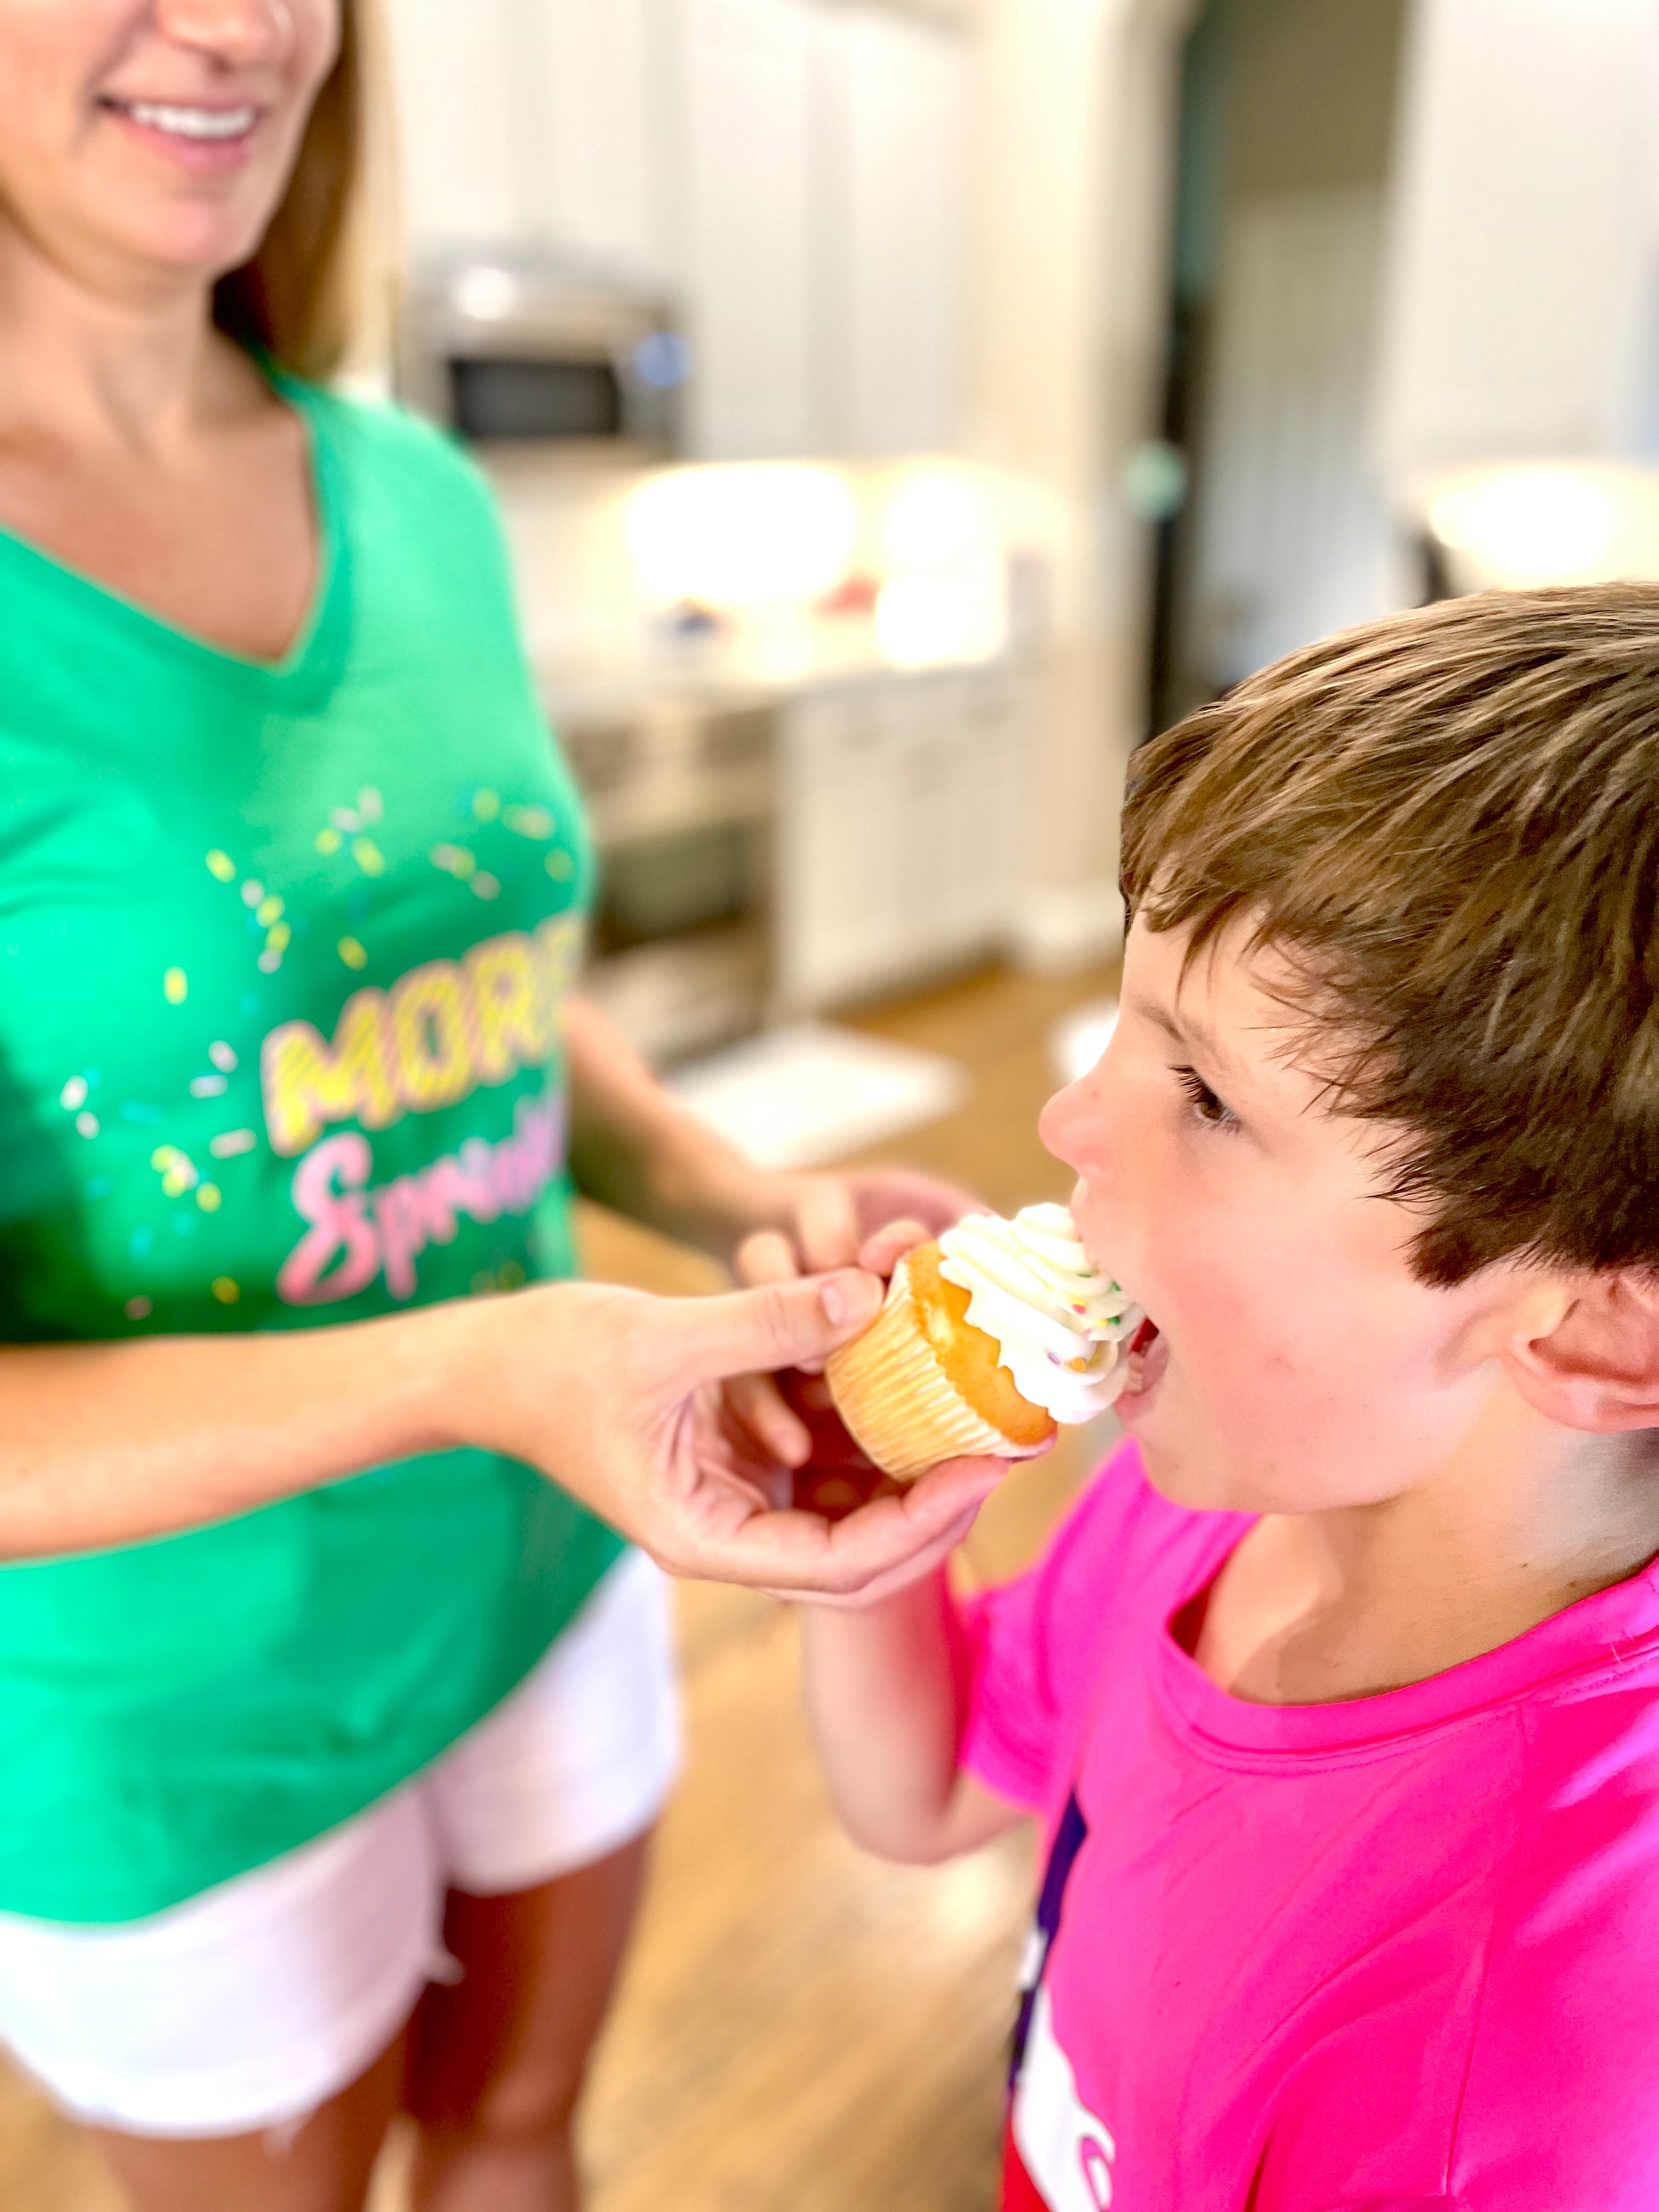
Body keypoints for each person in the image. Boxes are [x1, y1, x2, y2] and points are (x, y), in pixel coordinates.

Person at [0, 3, 998, 2208]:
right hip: (182, 1712)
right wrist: (497, 1362)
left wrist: (739, 1185)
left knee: (526, 2136)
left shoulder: (410, 492)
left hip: (551, 1561)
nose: (247, 22)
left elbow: (456, 991)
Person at [803, 586, 1659, 2209]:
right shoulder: (1207, 1500)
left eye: (1200, 1091)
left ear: (1602, 1334)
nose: (1062, 1121)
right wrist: (870, 1502)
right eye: (1117, 1035)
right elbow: (921, 1793)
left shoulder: (1512, 2070)